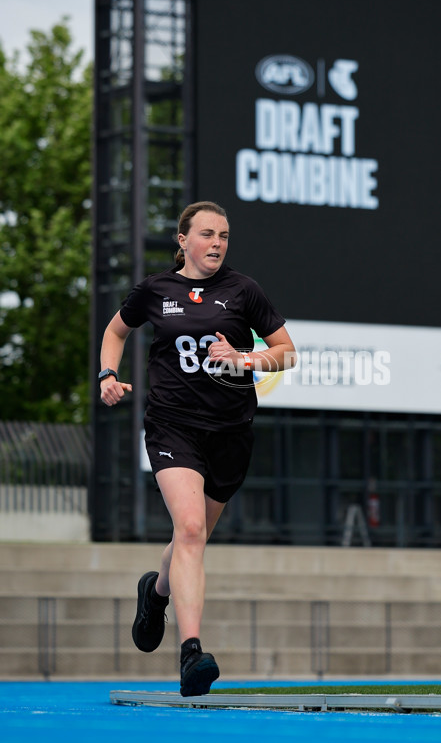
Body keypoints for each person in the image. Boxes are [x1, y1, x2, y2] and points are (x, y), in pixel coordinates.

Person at [98, 201, 296, 696]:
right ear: (183, 240)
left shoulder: (243, 290)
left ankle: (156, 591)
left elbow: (287, 352)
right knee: (188, 529)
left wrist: (246, 358)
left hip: (229, 432)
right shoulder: (155, 291)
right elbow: (116, 330)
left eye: (224, 236)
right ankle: (191, 653)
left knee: (193, 539)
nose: (217, 243)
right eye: (207, 234)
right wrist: (107, 374)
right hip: (172, 427)